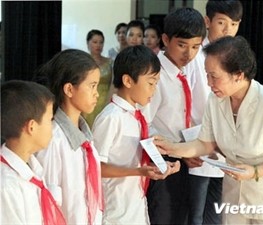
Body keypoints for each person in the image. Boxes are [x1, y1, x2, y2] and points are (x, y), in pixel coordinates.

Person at [154, 35, 263, 224]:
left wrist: (255, 171)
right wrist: (172, 148)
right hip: (234, 197)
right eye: (206, 74)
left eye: (214, 76)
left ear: (238, 75)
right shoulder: (215, 100)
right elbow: (205, 144)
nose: (208, 82)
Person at [92, 45, 180, 225]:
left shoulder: (137, 117)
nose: (154, 90)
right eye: (150, 83)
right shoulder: (111, 118)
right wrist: (138, 171)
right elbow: (95, 168)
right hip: (115, 212)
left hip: (136, 207)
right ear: (128, 80)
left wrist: (160, 165)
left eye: (156, 83)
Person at [143, 7, 206, 225]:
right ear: (165, 39)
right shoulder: (154, 75)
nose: (189, 54)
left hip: (183, 158)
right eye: (182, 45)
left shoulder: (186, 69)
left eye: (196, 47)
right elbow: (143, 125)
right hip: (161, 161)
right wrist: (176, 151)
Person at [185, 1, 243, 224]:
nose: (228, 30)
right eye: (222, 23)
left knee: (219, 214)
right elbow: (187, 104)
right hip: (199, 144)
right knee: (195, 215)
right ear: (207, 22)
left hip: (227, 147)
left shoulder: (237, 56)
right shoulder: (195, 56)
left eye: (234, 24)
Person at [35, 49, 104, 225]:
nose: (96, 93)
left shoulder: (85, 136)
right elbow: (49, 205)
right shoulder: (53, 139)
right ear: (69, 89)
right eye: (92, 86)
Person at [1, 80, 66, 225]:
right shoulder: (6, 185)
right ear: (32, 127)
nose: (52, 126)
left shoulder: (33, 168)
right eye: (50, 120)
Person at [84, 29, 113, 128]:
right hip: (87, 99)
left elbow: (113, 85)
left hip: (106, 100)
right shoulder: (82, 63)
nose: (98, 45)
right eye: (95, 42)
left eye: (101, 42)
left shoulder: (110, 62)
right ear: (88, 43)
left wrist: (108, 103)